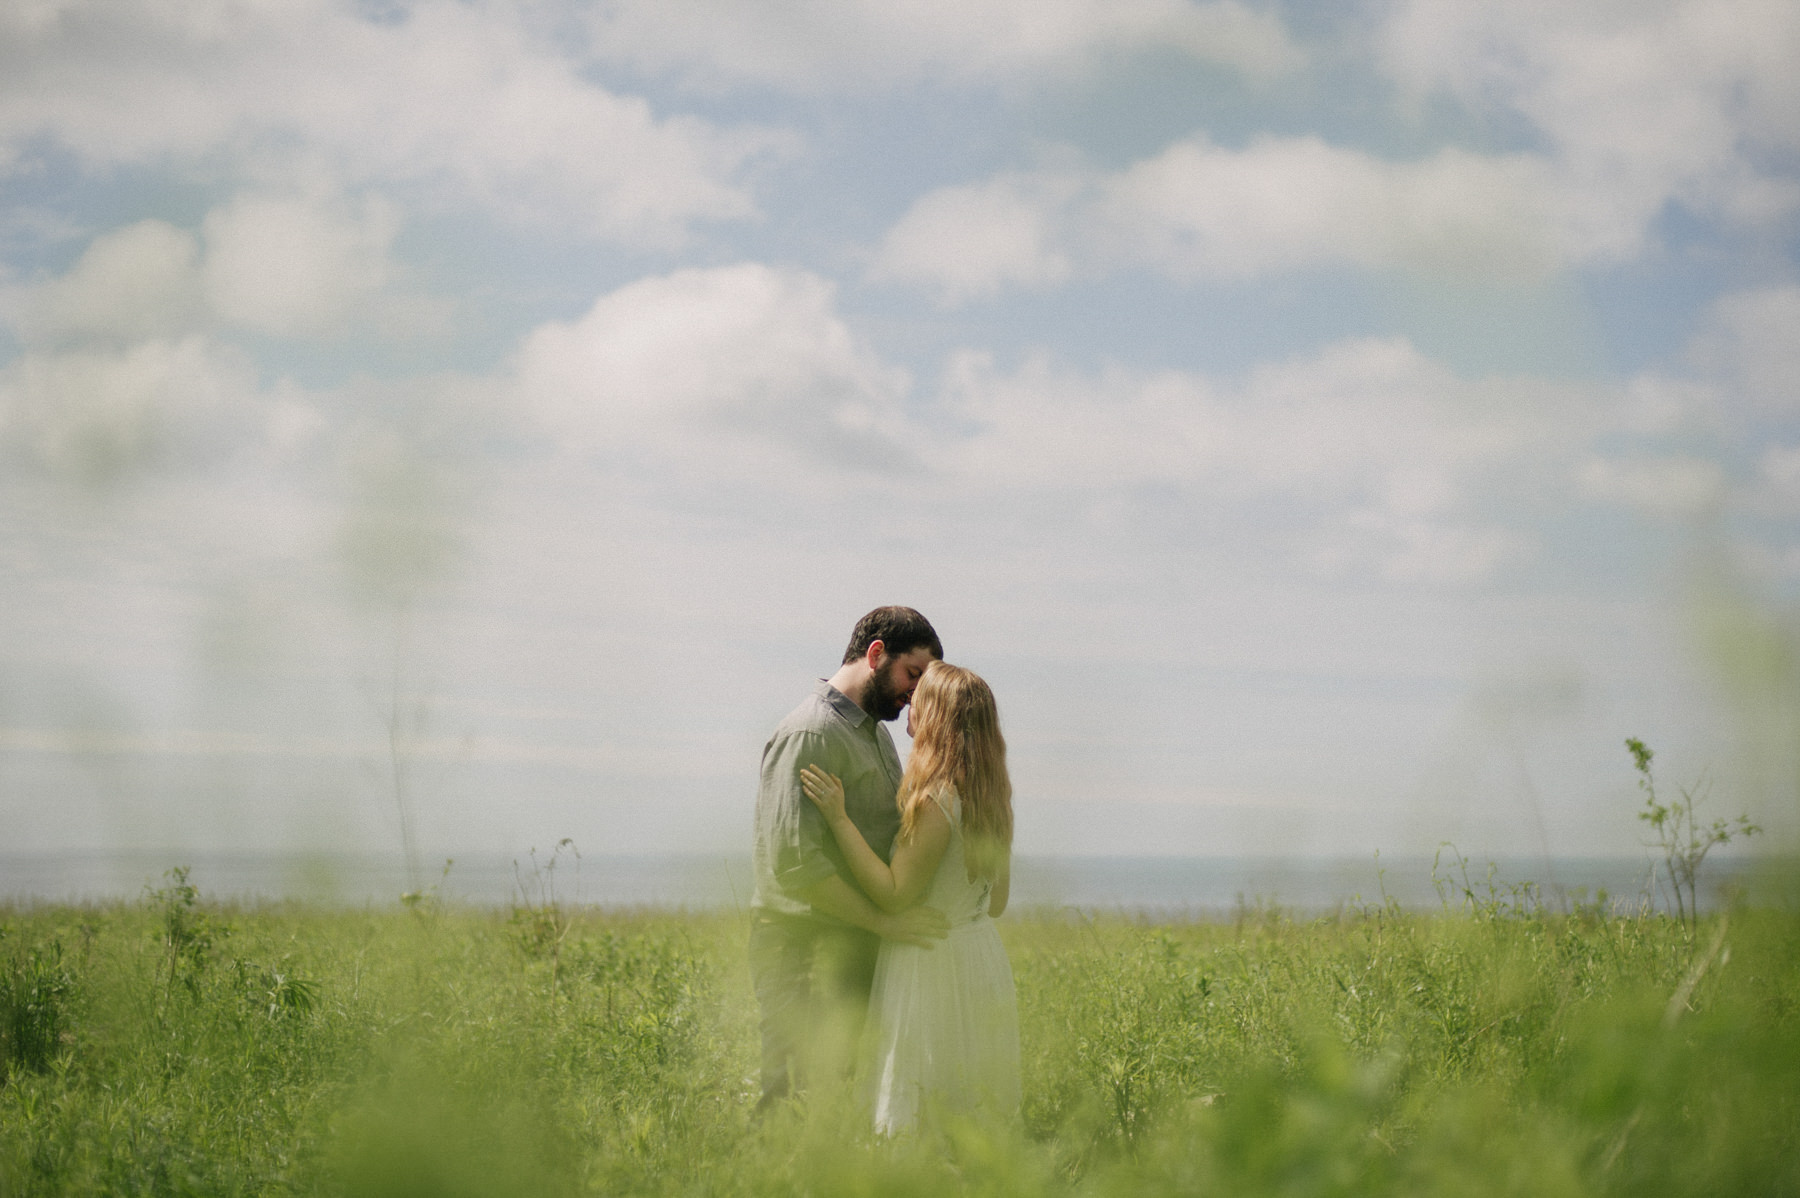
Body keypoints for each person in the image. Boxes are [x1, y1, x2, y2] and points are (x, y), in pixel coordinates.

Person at [800, 660, 1020, 1134]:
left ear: (936, 716)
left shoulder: (937, 797)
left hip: (929, 957)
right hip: (979, 955)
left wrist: (839, 820)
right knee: (972, 1100)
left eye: (918, 701)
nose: (909, 708)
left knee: (922, 1100)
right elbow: (997, 903)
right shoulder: (992, 797)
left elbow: (896, 894)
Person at [748, 606, 950, 1111]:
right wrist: (883, 921)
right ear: (876, 654)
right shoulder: (811, 734)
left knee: (842, 1099)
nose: (917, 693)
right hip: (805, 946)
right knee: (794, 1097)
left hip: (853, 941)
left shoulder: (877, 733)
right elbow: (795, 869)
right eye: (913, 675)